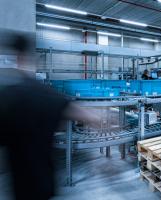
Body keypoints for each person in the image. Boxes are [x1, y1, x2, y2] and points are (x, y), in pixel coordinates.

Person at [0, 31, 97, 200]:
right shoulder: (44, 91)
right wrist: (98, 118)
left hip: (19, 182)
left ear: (15, 58)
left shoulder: (8, 95)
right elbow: (78, 112)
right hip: (44, 179)